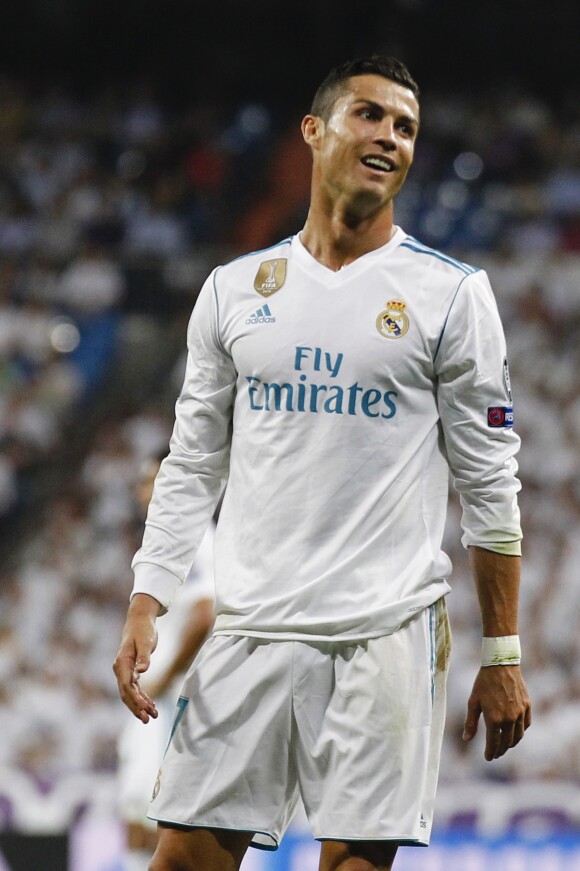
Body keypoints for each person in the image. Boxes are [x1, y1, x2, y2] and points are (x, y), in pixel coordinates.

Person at [113, 55, 531, 871]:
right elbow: (193, 460)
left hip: (386, 632)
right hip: (248, 627)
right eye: (370, 115)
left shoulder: (451, 294)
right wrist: (147, 596)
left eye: (405, 126)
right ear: (315, 130)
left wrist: (503, 652)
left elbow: (490, 484)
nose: (389, 137)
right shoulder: (235, 290)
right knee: (179, 862)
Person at [117, 454, 215, 871]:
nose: (145, 491)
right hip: (157, 700)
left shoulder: (198, 540)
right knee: (137, 818)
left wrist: (165, 680)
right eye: (142, 482)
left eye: (153, 480)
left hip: (171, 703)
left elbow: (204, 614)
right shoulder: (161, 546)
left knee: (157, 824)